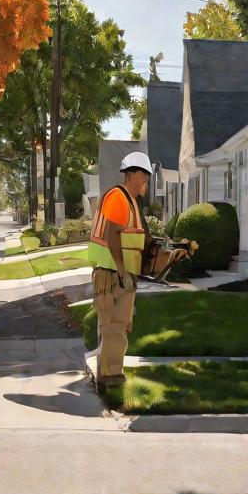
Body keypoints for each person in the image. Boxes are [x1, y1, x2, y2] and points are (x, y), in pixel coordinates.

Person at [88, 151, 186, 391]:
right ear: (130, 175)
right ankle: (111, 378)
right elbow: (112, 237)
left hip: (122, 275)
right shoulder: (118, 197)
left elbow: (142, 243)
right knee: (113, 328)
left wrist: (174, 252)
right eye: (144, 176)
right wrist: (122, 272)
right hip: (110, 275)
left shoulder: (133, 202)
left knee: (119, 327)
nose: (146, 182)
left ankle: (108, 375)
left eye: (147, 177)